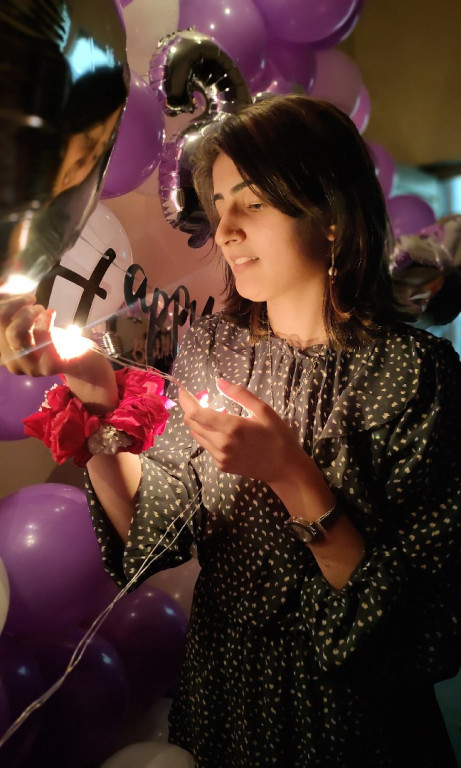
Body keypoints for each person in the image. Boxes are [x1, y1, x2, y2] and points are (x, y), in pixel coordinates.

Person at [1, 94, 461, 768]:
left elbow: (426, 631)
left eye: (253, 203)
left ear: (332, 216)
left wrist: (292, 475)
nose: (225, 231)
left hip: (351, 723)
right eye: (219, 207)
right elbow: (158, 529)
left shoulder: (415, 374)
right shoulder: (214, 348)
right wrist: (93, 395)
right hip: (225, 702)